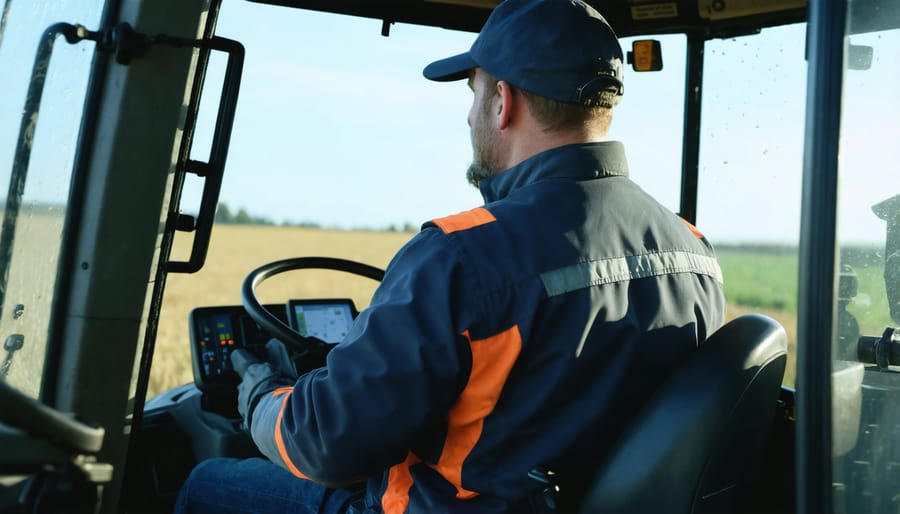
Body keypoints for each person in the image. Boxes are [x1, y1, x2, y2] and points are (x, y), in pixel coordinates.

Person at [174, 0, 726, 512]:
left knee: (205, 484)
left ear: (503, 102)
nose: (469, 117)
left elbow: (324, 444)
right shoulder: (695, 250)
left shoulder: (463, 256)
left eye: (473, 93)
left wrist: (261, 394)